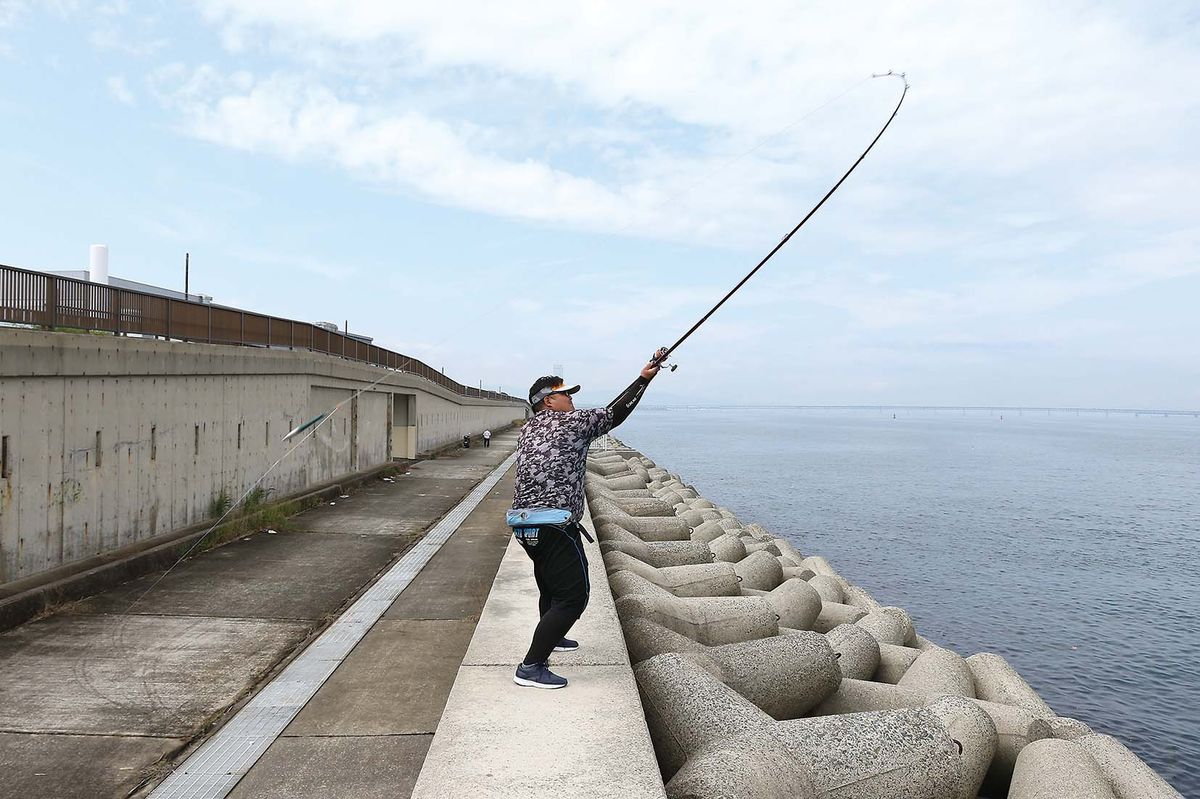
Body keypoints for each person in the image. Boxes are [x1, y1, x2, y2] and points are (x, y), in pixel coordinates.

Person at [509, 347, 667, 689]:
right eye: (565, 394)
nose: (571, 399)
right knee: (574, 597)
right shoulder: (571, 424)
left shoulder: (529, 429)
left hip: (524, 524)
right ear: (548, 400)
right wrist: (643, 378)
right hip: (554, 524)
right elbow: (615, 413)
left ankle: (552, 636)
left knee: (550, 588)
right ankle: (531, 666)